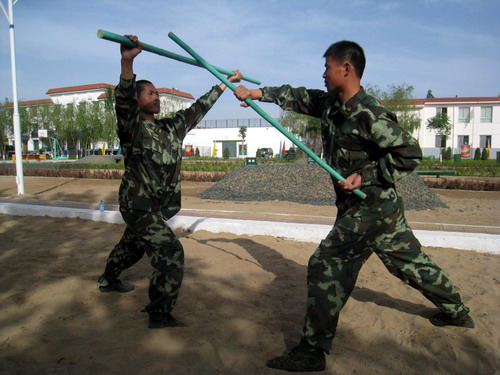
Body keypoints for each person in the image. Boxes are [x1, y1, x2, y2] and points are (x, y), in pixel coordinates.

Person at [234, 40, 473, 372]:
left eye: (327, 67)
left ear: (346, 68)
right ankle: (456, 311)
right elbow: (299, 96)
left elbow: (410, 154)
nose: (323, 73)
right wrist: (257, 94)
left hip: (371, 205)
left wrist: (367, 174)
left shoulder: (370, 112)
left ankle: (311, 351)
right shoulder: (331, 103)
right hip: (369, 208)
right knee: (408, 262)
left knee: (325, 263)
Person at [97, 35, 242, 329]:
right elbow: (122, 101)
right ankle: (159, 313)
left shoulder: (171, 128)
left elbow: (199, 108)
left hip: (161, 207)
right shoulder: (132, 128)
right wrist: (127, 61)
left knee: (133, 245)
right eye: (149, 93)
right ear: (138, 100)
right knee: (170, 252)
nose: (157, 97)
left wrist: (224, 83)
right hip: (138, 205)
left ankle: (108, 278)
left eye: (157, 93)